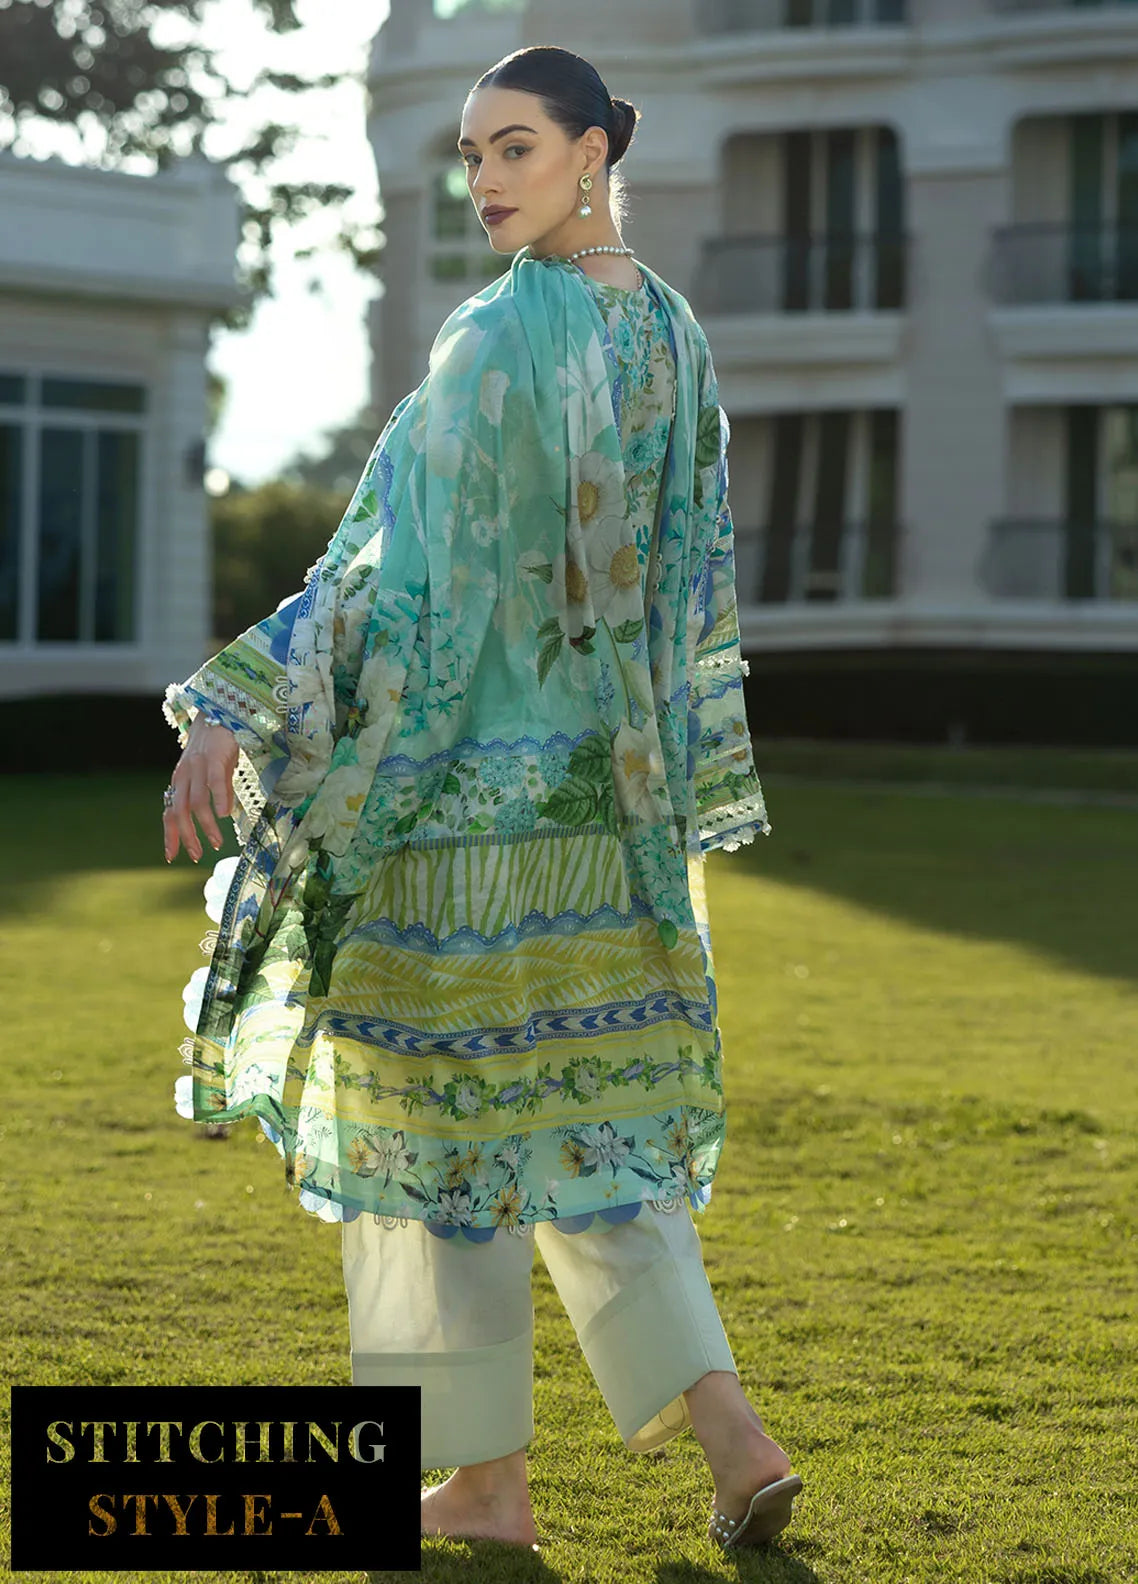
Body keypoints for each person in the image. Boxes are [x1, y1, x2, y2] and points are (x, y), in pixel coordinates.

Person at [161, 45, 802, 1559]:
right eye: (470, 155)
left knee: (420, 1126)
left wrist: (239, 703)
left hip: (458, 817)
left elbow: (393, 567)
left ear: (592, 151)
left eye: (515, 146)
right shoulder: (673, 334)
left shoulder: (504, 331)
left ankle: (484, 1479)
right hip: (606, 812)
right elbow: (688, 588)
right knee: (588, 1120)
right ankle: (730, 1438)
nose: (486, 180)